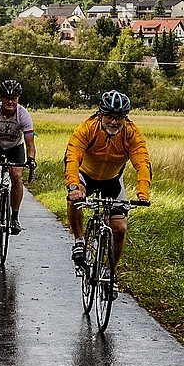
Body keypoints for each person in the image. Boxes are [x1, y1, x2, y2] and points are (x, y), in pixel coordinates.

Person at [63, 90, 150, 281]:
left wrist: (143, 193)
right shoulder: (87, 128)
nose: (113, 122)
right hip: (85, 175)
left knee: (120, 228)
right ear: (100, 114)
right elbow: (72, 157)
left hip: (112, 179)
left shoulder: (131, 133)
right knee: (75, 199)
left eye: (119, 118)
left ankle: (110, 272)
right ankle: (79, 239)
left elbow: (142, 163)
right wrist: (73, 186)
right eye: (109, 116)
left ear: (125, 118)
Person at [0, 78, 36, 235]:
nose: (10, 101)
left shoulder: (23, 115)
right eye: (7, 98)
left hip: (15, 147)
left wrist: (31, 159)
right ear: (1, 98)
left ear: (18, 99)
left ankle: (14, 217)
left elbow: (30, 144)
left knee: (16, 176)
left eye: (13, 98)